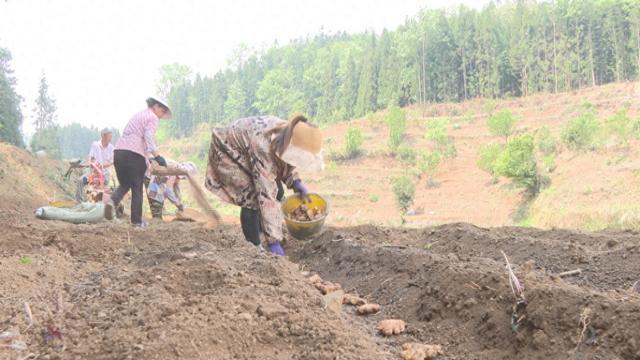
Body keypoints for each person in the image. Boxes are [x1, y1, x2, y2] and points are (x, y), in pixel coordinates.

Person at [205, 115, 323, 256]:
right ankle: (254, 246)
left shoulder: (289, 133)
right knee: (252, 197)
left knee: (278, 192)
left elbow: (286, 160)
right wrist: (274, 241)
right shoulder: (263, 146)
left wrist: (295, 181)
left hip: (247, 149)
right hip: (226, 150)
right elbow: (265, 193)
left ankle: (262, 230)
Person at [105, 96, 171, 227]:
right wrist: (157, 156)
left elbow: (139, 138)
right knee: (137, 187)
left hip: (119, 152)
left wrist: (149, 160)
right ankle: (137, 221)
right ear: (156, 106)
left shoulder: (139, 115)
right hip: (134, 154)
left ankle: (112, 202)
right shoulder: (152, 117)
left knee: (125, 183)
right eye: (162, 111)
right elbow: (148, 136)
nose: (161, 115)